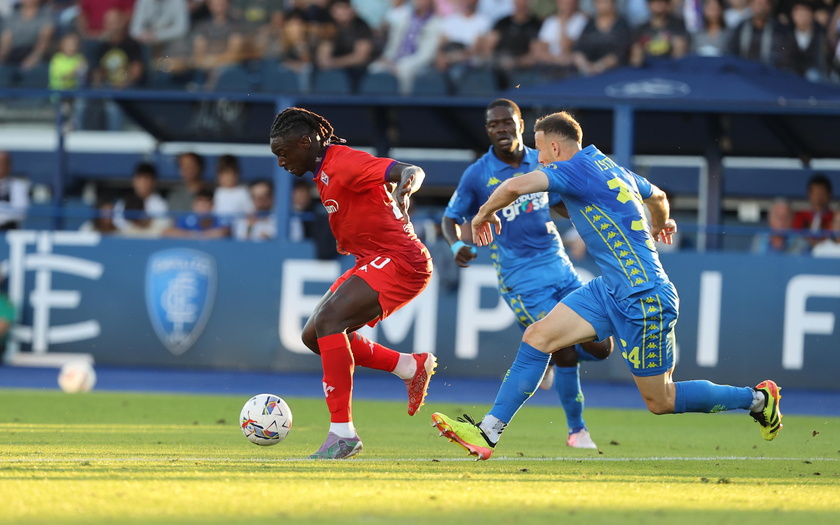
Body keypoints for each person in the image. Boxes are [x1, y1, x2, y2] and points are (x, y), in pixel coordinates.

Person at [431, 110, 783, 460]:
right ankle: (488, 431)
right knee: (538, 337)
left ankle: (756, 400)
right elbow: (658, 196)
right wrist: (662, 224)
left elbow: (513, 186)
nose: (537, 158)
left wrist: (482, 214)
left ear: (554, 147)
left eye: (539, 150)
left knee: (661, 400)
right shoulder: (611, 168)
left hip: (644, 297)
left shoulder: (572, 169)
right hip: (610, 289)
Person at [442, 99, 613, 449]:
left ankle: (548, 363)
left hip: (558, 263)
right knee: (562, 345)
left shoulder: (542, 160)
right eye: (493, 125)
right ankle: (577, 430)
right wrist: (456, 245)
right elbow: (450, 218)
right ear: (487, 130)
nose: (500, 129)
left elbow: (562, 200)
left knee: (602, 347)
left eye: (507, 122)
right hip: (520, 276)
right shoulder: (478, 173)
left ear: (522, 124)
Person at [269, 107, 436, 459]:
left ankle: (342, 434)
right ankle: (409, 366)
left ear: (306, 141)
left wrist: (406, 185)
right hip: (375, 258)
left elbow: (409, 171)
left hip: (401, 259)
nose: (281, 162)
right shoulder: (322, 170)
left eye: (283, 153)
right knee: (314, 336)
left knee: (331, 321)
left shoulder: (343, 162)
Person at [367, 0, 441, 95]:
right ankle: (374, 105)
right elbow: (393, 43)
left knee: (404, 70)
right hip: (396, 60)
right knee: (374, 68)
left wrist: (401, 64)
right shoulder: (404, 17)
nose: (419, 2)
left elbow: (427, 54)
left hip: (416, 63)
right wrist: (387, 58)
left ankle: (402, 105)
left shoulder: (435, 22)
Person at [315, 0, 376, 92]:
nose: (344, 11)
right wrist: (330, 63)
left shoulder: (361, 25)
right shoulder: (329, 26)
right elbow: (323, 58)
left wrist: (334, 63)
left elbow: (361, 57)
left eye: (346, 7)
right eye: (340, 7)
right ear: (332, 11)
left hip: (358, 70)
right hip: (335, 71)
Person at [571, 0, 633, 76]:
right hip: (589, 74)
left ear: (613, 3)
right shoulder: (590, 24)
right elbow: (578, 50)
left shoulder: (622, 24)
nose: (602, 5)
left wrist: (599, 66)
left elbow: (621, 52)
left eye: (605, 2)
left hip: (616, 72)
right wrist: (585, 66)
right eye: (599, 2)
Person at [629, 0, 689, 67]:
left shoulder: (677, 25)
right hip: (647, 68)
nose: (658, 4)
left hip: (670, 67)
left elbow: (680, 54)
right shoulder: (641, 29)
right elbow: (635, 59)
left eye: (661, 1)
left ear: (667, 4)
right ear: (648, 5)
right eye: (654, 2)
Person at [114, 162, 169, 232]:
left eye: (146, 178)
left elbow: (162, 228)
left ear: (154, 182)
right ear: (134, 180)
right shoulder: (122, 203)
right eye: (140, 178)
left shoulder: (161, 205)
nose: (143, 182)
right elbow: (119, 225)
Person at [163, 187, 231, 239]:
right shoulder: (187, 219)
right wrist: (193, 235)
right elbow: (167, 232)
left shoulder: (220, 220)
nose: (202, 209)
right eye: (199, 205)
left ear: (212, 205)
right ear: (194, 206)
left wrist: (198, 236)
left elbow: (224, 232)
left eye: (205, 205)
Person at [792, 173, 835, 250]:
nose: (818, 197)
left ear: (829, 194)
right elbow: (794, 237)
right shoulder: (799, 216)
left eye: (822, 193)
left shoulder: (835, 218)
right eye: (815, 193)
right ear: (809, 194)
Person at [212, 154, 253, 226]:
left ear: (237, 174)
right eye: (224, 174)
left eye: (230, 174)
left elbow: (250, 213)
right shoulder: (217, 192)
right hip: (219, 227)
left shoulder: (243, 192)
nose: (228, 178)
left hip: (238, 229)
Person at [0, 151, 30, 230]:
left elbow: (20, 212)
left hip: (11, 235)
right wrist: (8, 209)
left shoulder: (18, 186)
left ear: (9, 165)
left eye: (4, 163)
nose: (1, 166)